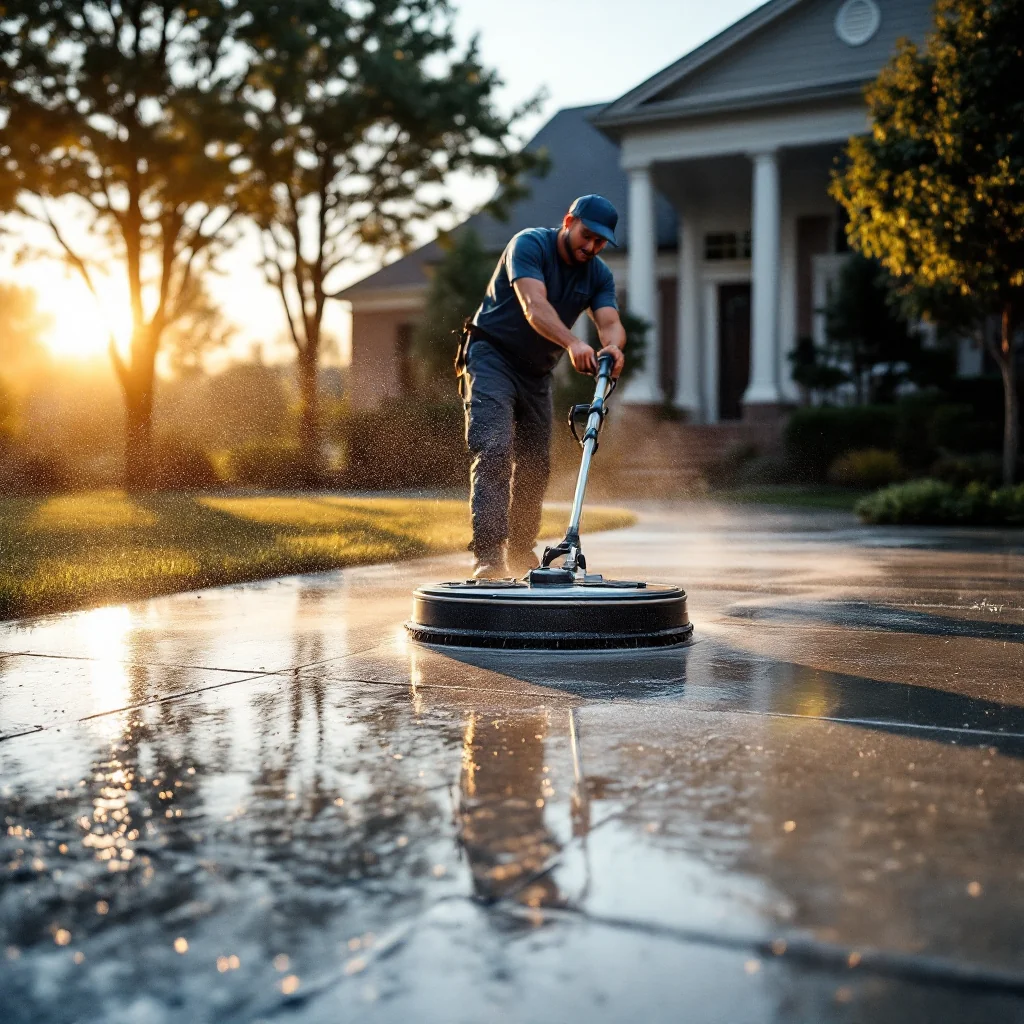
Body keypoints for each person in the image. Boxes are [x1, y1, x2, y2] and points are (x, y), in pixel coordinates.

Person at [458, 194, 627, 579]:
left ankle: (520, 552)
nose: (591, 247)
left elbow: (609, 321)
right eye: (587, 235)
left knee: (536, 464)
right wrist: (572, 343)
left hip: (536, 372)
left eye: (600, 242)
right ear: (569, 221)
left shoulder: (597, 274)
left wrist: (613, 346)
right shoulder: (529, 244)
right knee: (495, 449)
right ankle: (488, 556)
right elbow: (534, 305)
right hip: (491, 357)